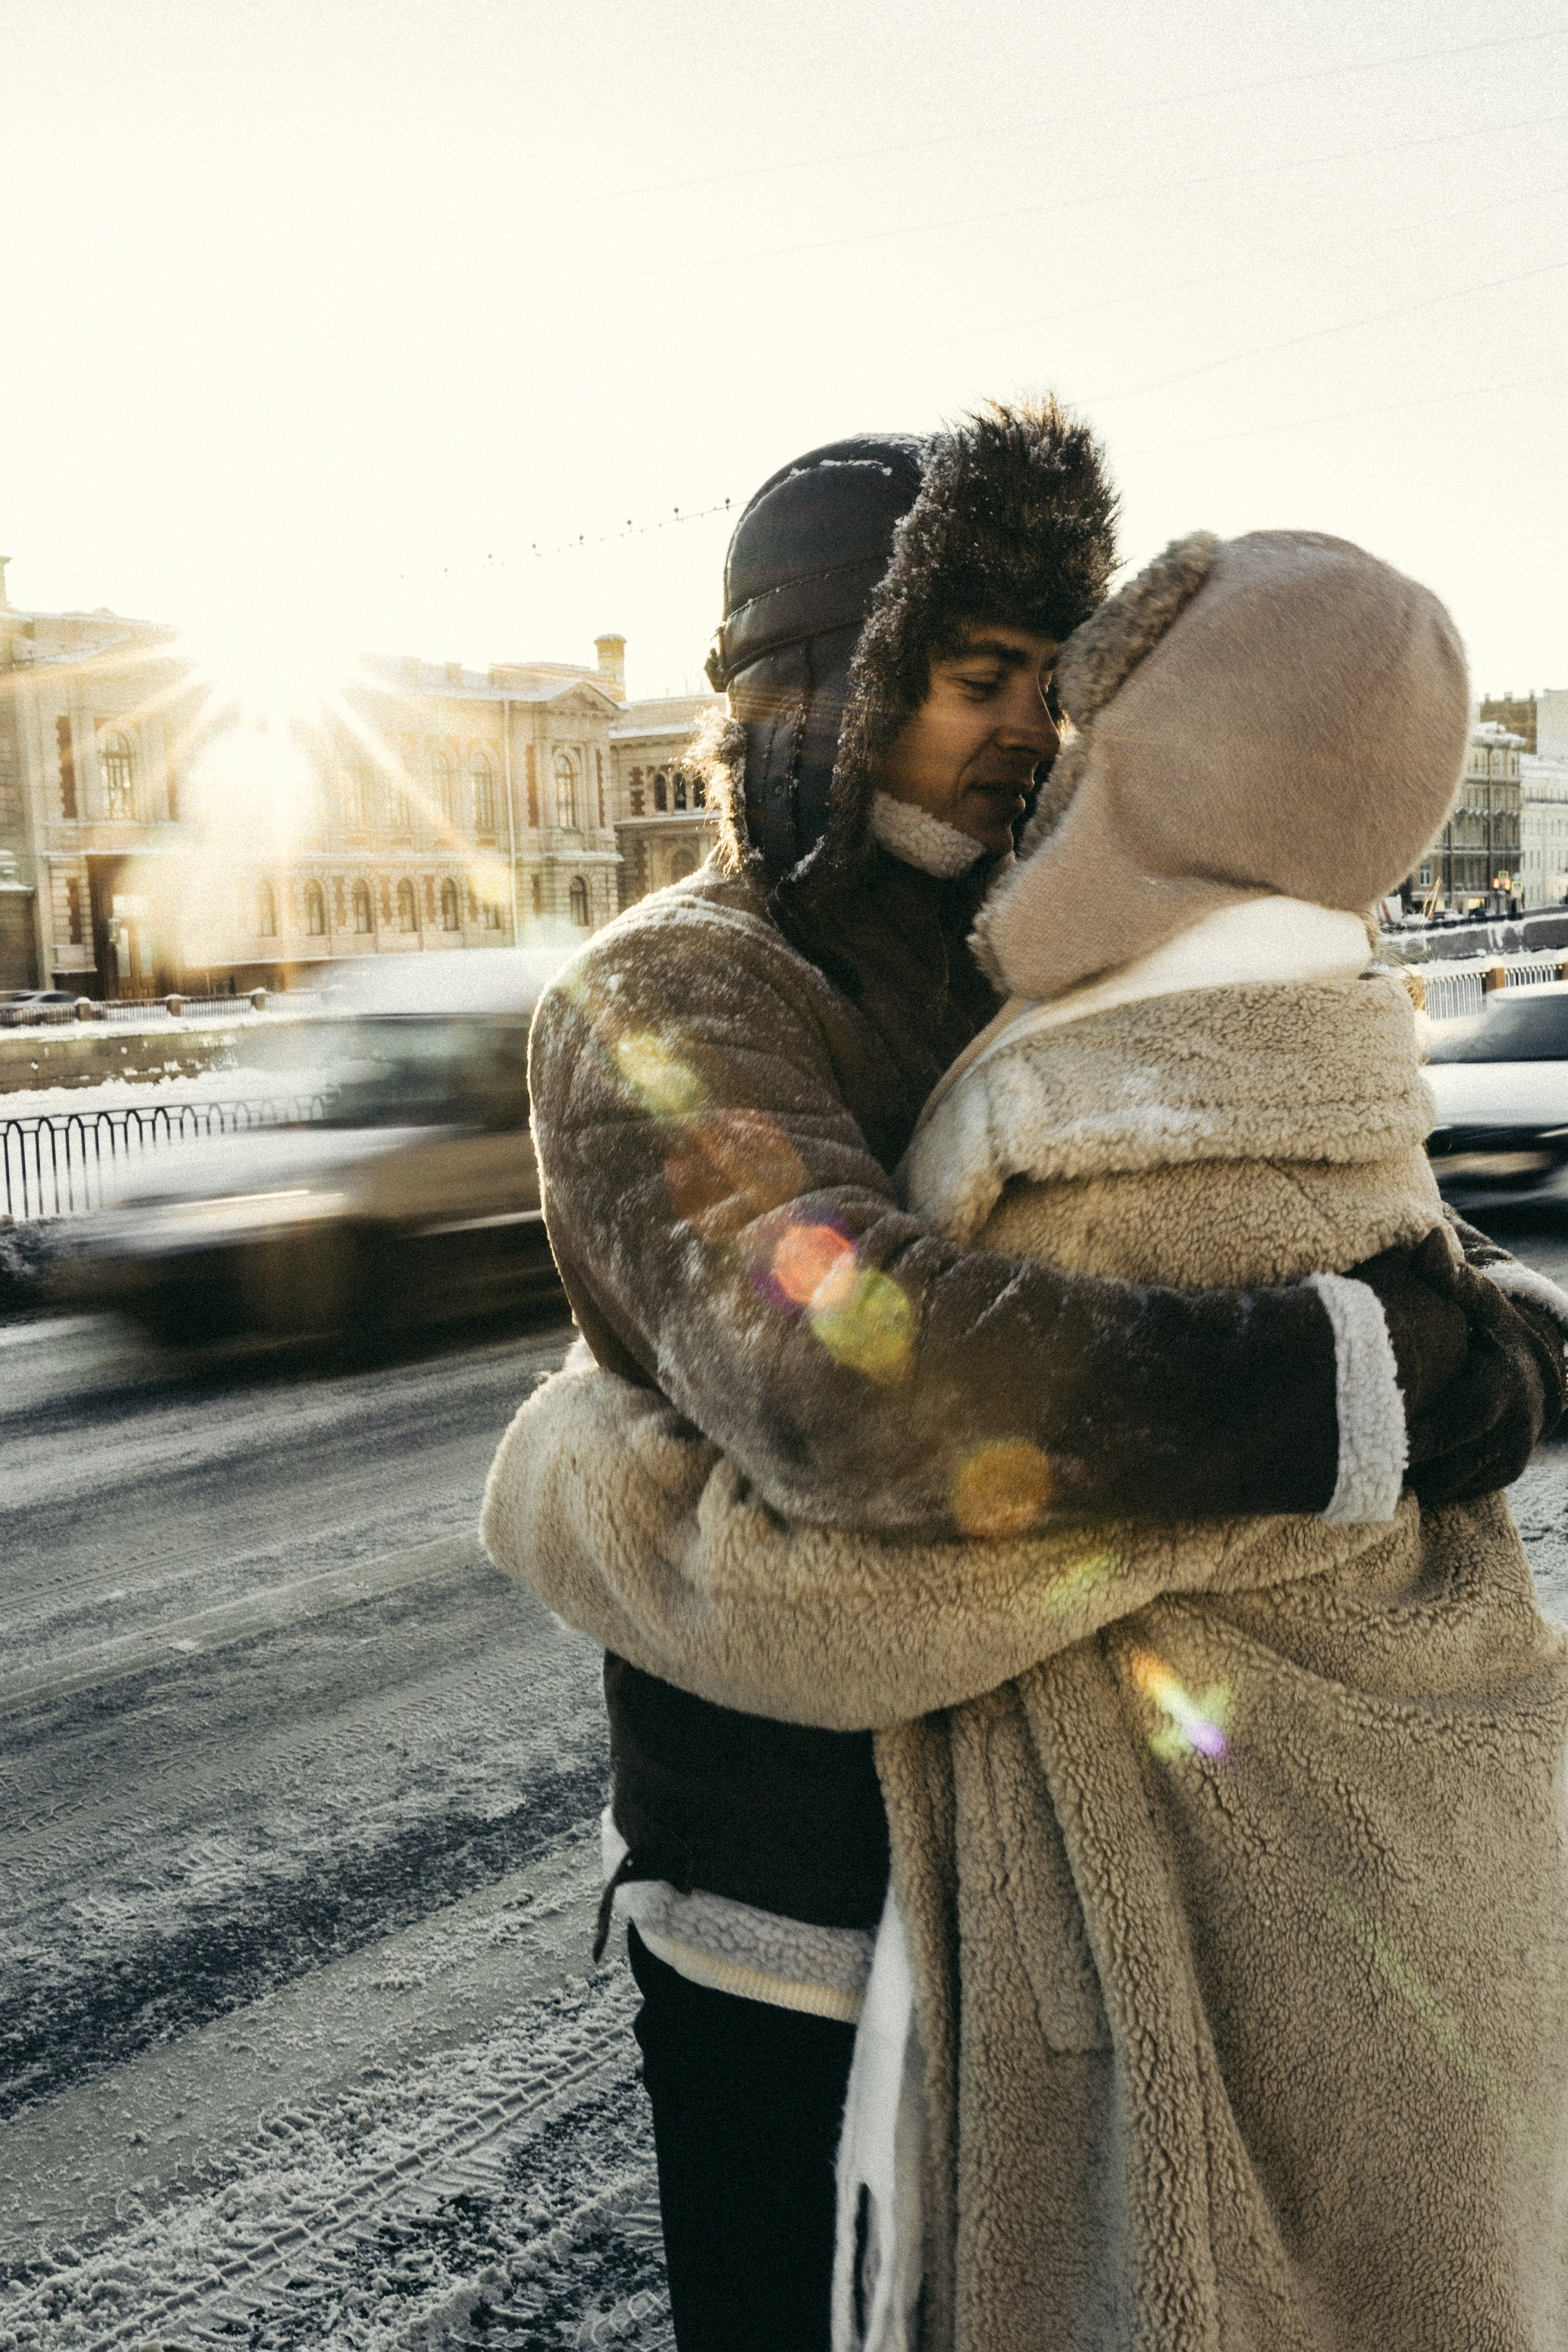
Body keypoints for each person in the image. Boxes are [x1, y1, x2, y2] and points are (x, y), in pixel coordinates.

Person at [504, 409, 1564, 2351]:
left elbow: (1315, 1203)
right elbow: (856, 1389)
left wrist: (1487, 1340)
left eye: (1053, 691)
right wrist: (1352, 1390)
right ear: (813, 690)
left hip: (1069, 1880)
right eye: (977, 679)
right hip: (795, 1907)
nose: (1029, 736)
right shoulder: (675, 992)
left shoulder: (1032, 954)